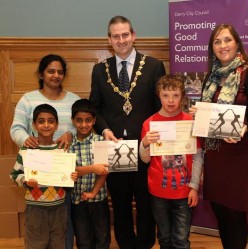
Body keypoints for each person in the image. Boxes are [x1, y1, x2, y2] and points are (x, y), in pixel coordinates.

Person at [190, 24, 248, 249]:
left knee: (234, 213)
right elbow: (212, 118)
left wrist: (246, 127)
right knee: (220, 210)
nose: (223, 46)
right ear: (212, 48)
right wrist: (200, 114)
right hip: (216, 155)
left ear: (237, 43)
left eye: (227, 40)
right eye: (217, 41)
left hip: (242, 155)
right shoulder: (210, 79)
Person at [89, 16, 166, 249]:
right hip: (115, 146)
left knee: (145, 202)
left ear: (133, 35)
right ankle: (125, 244)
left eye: (125, 35)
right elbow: (95, 108)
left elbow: (159, 107)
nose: (121, 40)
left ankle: (144, 243)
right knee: (120, 203)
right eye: (115, 36)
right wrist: (105, 130)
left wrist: (150, 138)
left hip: (144, 147)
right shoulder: (99, 70)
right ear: (109, 40)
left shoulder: (154, 66)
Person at [10, 54, 80, 249]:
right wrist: (27, 141)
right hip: (37, 171)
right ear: (41, 73)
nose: (55, 75)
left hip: (62, 172)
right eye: (51, 71)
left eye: (60, 72)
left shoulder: (74, 99)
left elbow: (82, 126)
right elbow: (16, 129)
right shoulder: (28, 99)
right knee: (38, 232)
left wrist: (70, 134)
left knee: (62, 225)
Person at [139, 74, 203, 249]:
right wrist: (144, 143)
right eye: (165, 95)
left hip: (184, 192)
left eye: (175, 95)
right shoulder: (149, 123)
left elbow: (198, 155)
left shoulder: (190, 121)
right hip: (158, 191)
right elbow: (145, 159)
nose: (170, 100)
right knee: (164, 238)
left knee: (181, 240)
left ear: (182, 96)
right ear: (158, 96)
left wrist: (194, 186)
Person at [69, 99, 111, 249]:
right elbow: (71, 171)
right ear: (73, 121)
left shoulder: (100, 141)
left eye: (88, 120)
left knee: (102, 238)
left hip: (99, 199)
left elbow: (103, 171)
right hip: (77, 200)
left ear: (94, 121)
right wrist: (93, 167)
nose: (83, 124)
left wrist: (93, 192)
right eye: (79, 120)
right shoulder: (69, 144)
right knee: (83, 240)